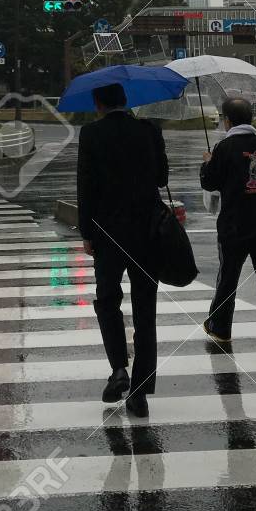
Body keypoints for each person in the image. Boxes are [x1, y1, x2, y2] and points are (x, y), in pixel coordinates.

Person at [77, 81, 169, 417]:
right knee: (146, 309)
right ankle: (140, 393)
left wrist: (87, 232)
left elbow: (85, 186)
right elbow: (161, 178)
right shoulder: (149, 130)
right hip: (147, 231)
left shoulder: (91, 134)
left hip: (107, 232)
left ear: (98, 103)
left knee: (107, 300)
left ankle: (119, 369)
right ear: (126, 101)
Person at [199, 96, 256, 358]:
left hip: (234, 226)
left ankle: (220, 328)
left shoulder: (224, 147)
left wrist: (207, 163)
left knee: (228, 277)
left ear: (227, 120)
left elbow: (209, 182)